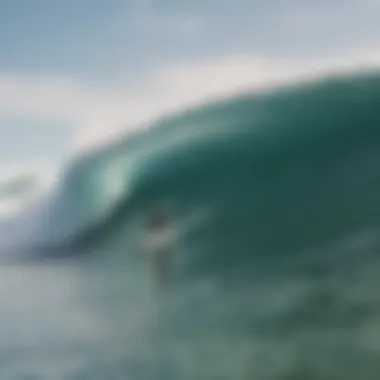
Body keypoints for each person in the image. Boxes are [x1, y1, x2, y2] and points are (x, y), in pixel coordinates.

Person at [143, 206, 176, 291]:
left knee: (161, 276)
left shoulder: (152, 236)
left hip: (160, 257)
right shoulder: (161, 235)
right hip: (160, 257)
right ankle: (163, 291)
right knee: (162, 275)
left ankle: (162, 291)